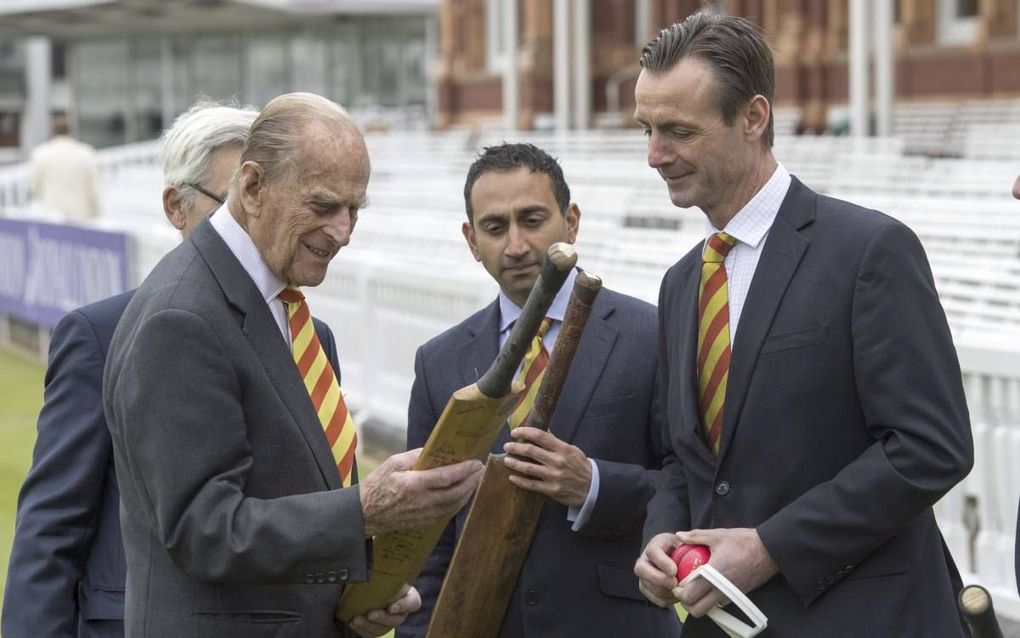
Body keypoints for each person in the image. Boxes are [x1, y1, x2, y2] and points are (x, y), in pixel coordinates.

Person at [631, 14, 973, 636]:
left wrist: (769, 548)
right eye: (648, 130)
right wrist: (660, 538)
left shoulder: (869, 250)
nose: (655, 155)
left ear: (754, 118)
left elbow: (931, 449)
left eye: (678, 131)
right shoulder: (682, 284)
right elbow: (685, 463)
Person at [102, 92, 484, 638]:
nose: (343, 231)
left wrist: (359, 592)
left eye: (355, 210)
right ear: (253, 187)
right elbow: (205, 531)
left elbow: (289, 502)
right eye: (324, 206)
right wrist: (365, 511)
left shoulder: (276, 306)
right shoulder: (182, 317)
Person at [398, 143, 681, 637]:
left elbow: (693, 485)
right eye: (494, 227)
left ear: (571, 221)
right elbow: (426, 538)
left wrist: (592, 484)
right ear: (470, 239)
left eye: (532, 220)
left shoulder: (654, 335)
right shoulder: (439, 362)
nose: (515, 245)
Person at [2, 102, 261, 638]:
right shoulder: (100, 335)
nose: (254, 226)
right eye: (237, 203)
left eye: (268, 200)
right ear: (177, 207)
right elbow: (51, 528)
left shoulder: (310, 340)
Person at [29, 112, 101, 222]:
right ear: (71, 131)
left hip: (51, 215)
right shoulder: (86, 153)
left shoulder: (40, 154)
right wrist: (97, 215)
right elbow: (94, 188)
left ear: (52, 131)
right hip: (81, 215)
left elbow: (35, 188)